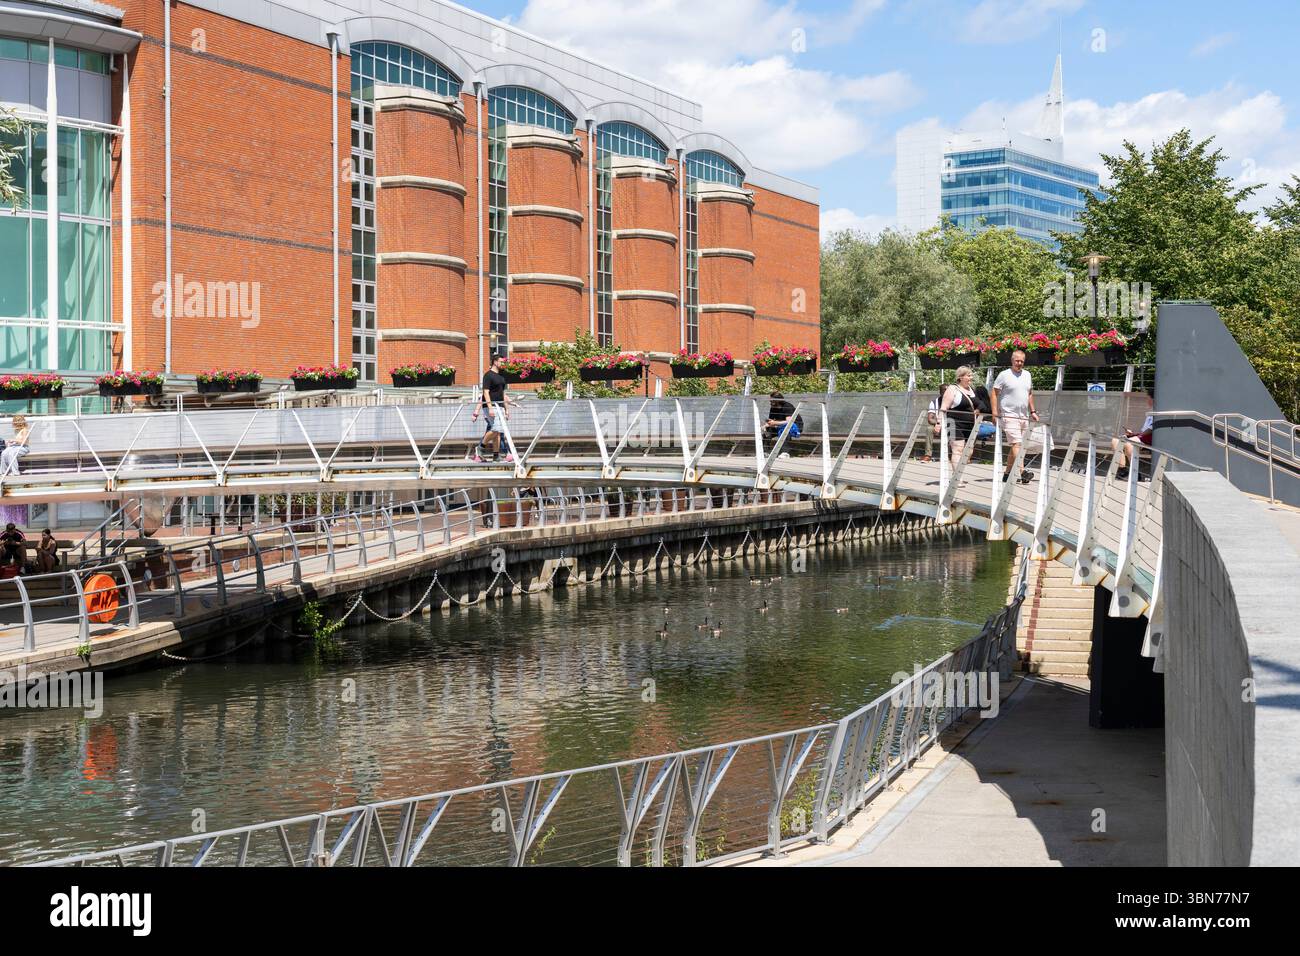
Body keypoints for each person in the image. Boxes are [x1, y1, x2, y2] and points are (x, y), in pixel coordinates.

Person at [990, 350, 1039, 484]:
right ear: (1012, 360)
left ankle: (1007, 474)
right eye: (1017, 361)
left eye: (1022, 361)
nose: (1019, 363)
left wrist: (1033, 411)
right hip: (1008, 414)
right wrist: (994, 413)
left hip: (1024, 415)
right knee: (1017, 443)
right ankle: (1022, 472)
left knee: (1018, 445)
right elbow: (994, 393)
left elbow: (1029, 394)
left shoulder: (1027, 375)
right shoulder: (1004, 375)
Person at [470, 354, 517, 463]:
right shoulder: (488, 375)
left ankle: (496, 455)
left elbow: (503, 394)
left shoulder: (501, 377)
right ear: (495, 362)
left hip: (499, 406)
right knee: (496, 429)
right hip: (490, 406)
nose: (503, 364)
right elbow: (485, 392)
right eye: (501, 362)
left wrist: (506, 409)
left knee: (499, 431)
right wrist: (490, 407)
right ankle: (480, 448)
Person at [935, 366, 978, 469]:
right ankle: (957, 478)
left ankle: (958, 473)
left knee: (969, 451)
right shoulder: (952, 389)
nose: (971, 378)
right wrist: (938, 423)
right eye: (968, 375)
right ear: (961, 377)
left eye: (971, 375)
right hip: (954, 423)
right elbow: (944, 407)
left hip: (970, 424)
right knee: (957, 450)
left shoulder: (971, 390)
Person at [1112, 394, 1155, 480]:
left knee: (1129, 444)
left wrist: (1136, 436)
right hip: (1143, 436)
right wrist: (1133, 434)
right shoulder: (1151, 411)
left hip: (1150, 438)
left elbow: (1150, 430)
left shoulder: (1157, 412)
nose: (1147, 401)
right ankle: (1122, 470)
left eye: (1148, 399)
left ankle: (1135, 473)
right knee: (1116, 440)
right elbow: (1145, 430)